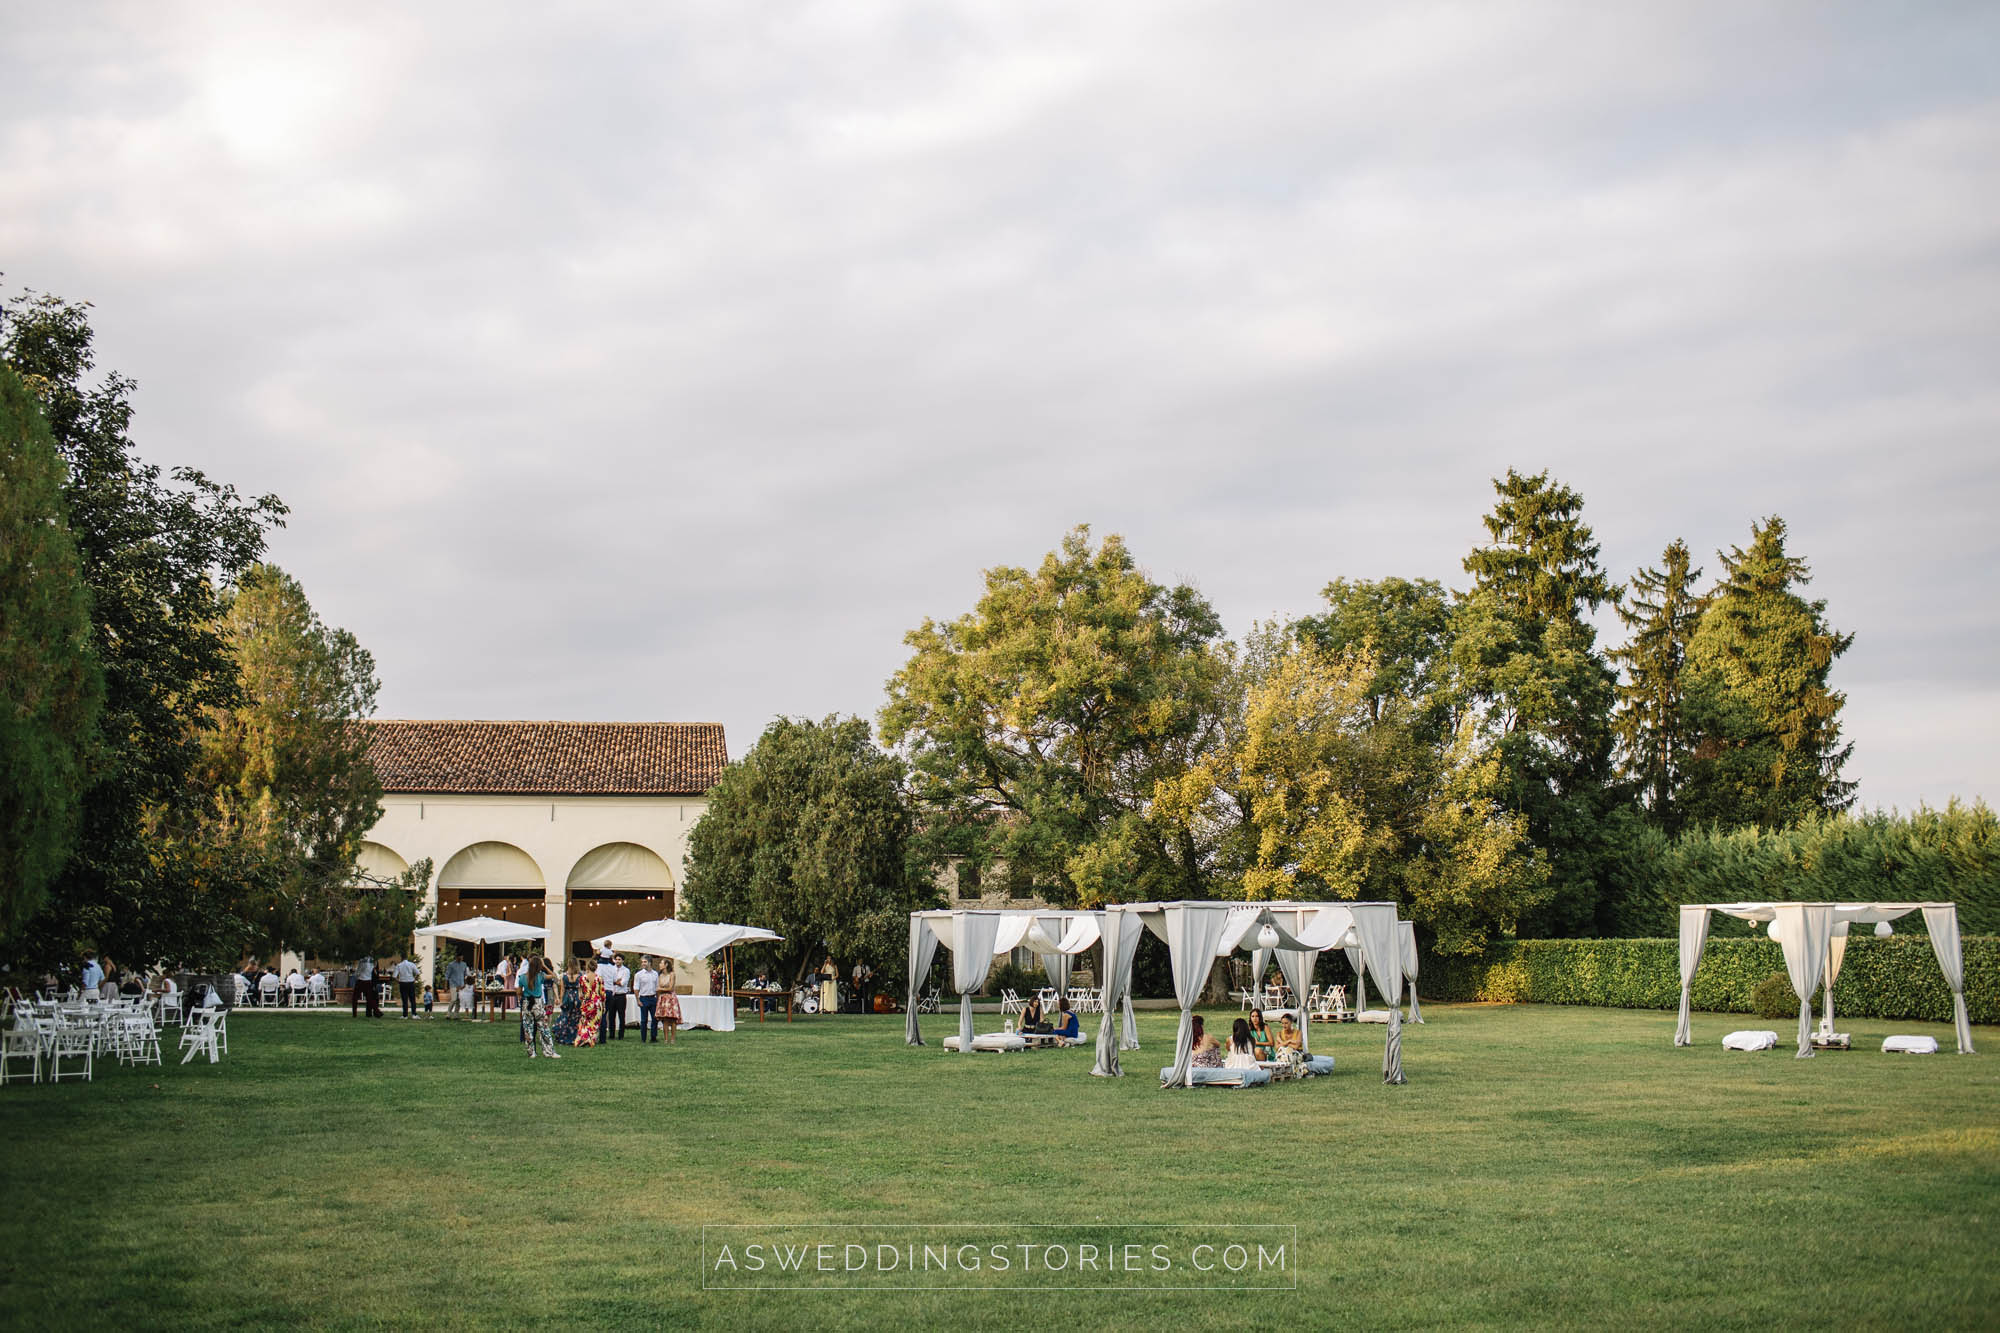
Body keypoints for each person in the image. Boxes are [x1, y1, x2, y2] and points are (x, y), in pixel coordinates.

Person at [518, 956, 559, 1059]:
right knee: (544, 1028)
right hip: (538, 1003)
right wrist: (545, 966)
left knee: (528, 1028)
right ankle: (549, 1051)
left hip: (527, 1003)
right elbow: (554, 976)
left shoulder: (522, 977)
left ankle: (531, 1052)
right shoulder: (540, 976)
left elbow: (518, 992)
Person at [575, 959, 605, 1049]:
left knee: (585, 1022)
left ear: (587, 967)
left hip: (587, 1001)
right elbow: (602, 993)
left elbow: (580, 993)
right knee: (594, 1022)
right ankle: (591, 1039)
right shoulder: (599, 978)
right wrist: (603, 1005)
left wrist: (582, 1000)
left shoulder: (582, 978)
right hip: (596, 1002)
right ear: (596, 967)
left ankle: (584, 1038)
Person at [552, 962, 581, 1046]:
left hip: (567, 997)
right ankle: (574, 1037)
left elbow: (562, 990)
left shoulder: (564, 977)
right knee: (576, 1018)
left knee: (565, 1016)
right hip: (576, 998)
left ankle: (563, 1035)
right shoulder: (580, 977)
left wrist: (561, 1000)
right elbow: (581, 990)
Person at [594, 942, 618, 1042]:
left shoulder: (598, 966)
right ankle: (602, 1037)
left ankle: (600, 1037)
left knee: (600, 1015)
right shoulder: (613, 967)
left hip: (601, 991)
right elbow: (615, 980)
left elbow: (597, 979)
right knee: (605, 1013)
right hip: (609, 991)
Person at [633, 957, 660, 1043]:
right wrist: (638, 1000)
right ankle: (643, 1038)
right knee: (644, 1020)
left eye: (645, 962)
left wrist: (658, 999)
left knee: (655, 1019)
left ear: (650, 963)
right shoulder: (639, 975)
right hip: (643, 998)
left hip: (653, 998)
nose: (643, 963)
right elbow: (636, 988)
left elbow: (657, 987)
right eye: (642, 962)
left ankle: (653, 1037)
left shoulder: (655, 974)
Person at [609, 955, 631, 1040]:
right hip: (612, 995)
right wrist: (616, 981)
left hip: (621, 995)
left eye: (619, 959)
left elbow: (623, 983)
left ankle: (621, 1035)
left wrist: (615, 981)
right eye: (616, 959)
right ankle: (611, 1034)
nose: (617, 961)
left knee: (621, 1016)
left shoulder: (626, 971)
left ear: (622, 961)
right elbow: (609, 981)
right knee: (611, 1016)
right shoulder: (611, 969)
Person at [659, 978, 681, 1045]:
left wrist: (660, 989)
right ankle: (666, 1039)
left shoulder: (672, 974)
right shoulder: (660, 975)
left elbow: (670, 988)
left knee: (673, 1019)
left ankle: (672, 1039)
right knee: (665, 1019)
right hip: (663, 998)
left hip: (671, 998)